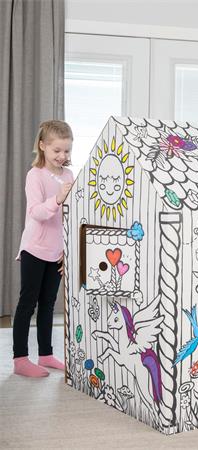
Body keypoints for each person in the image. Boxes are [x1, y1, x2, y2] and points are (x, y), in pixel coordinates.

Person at [13, 120, 74, 377]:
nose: (62, 155)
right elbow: (36, 212)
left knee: (48, 304)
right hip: (34, 249)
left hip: (56, 251)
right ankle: (20, 359)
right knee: (27, 304)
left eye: (67, 150)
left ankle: (46, 354)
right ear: (42, 146)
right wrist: (57, 198)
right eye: (56, 150)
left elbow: (70, 216)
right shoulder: (35, 175)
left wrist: (67, 251)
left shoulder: (69, 176)